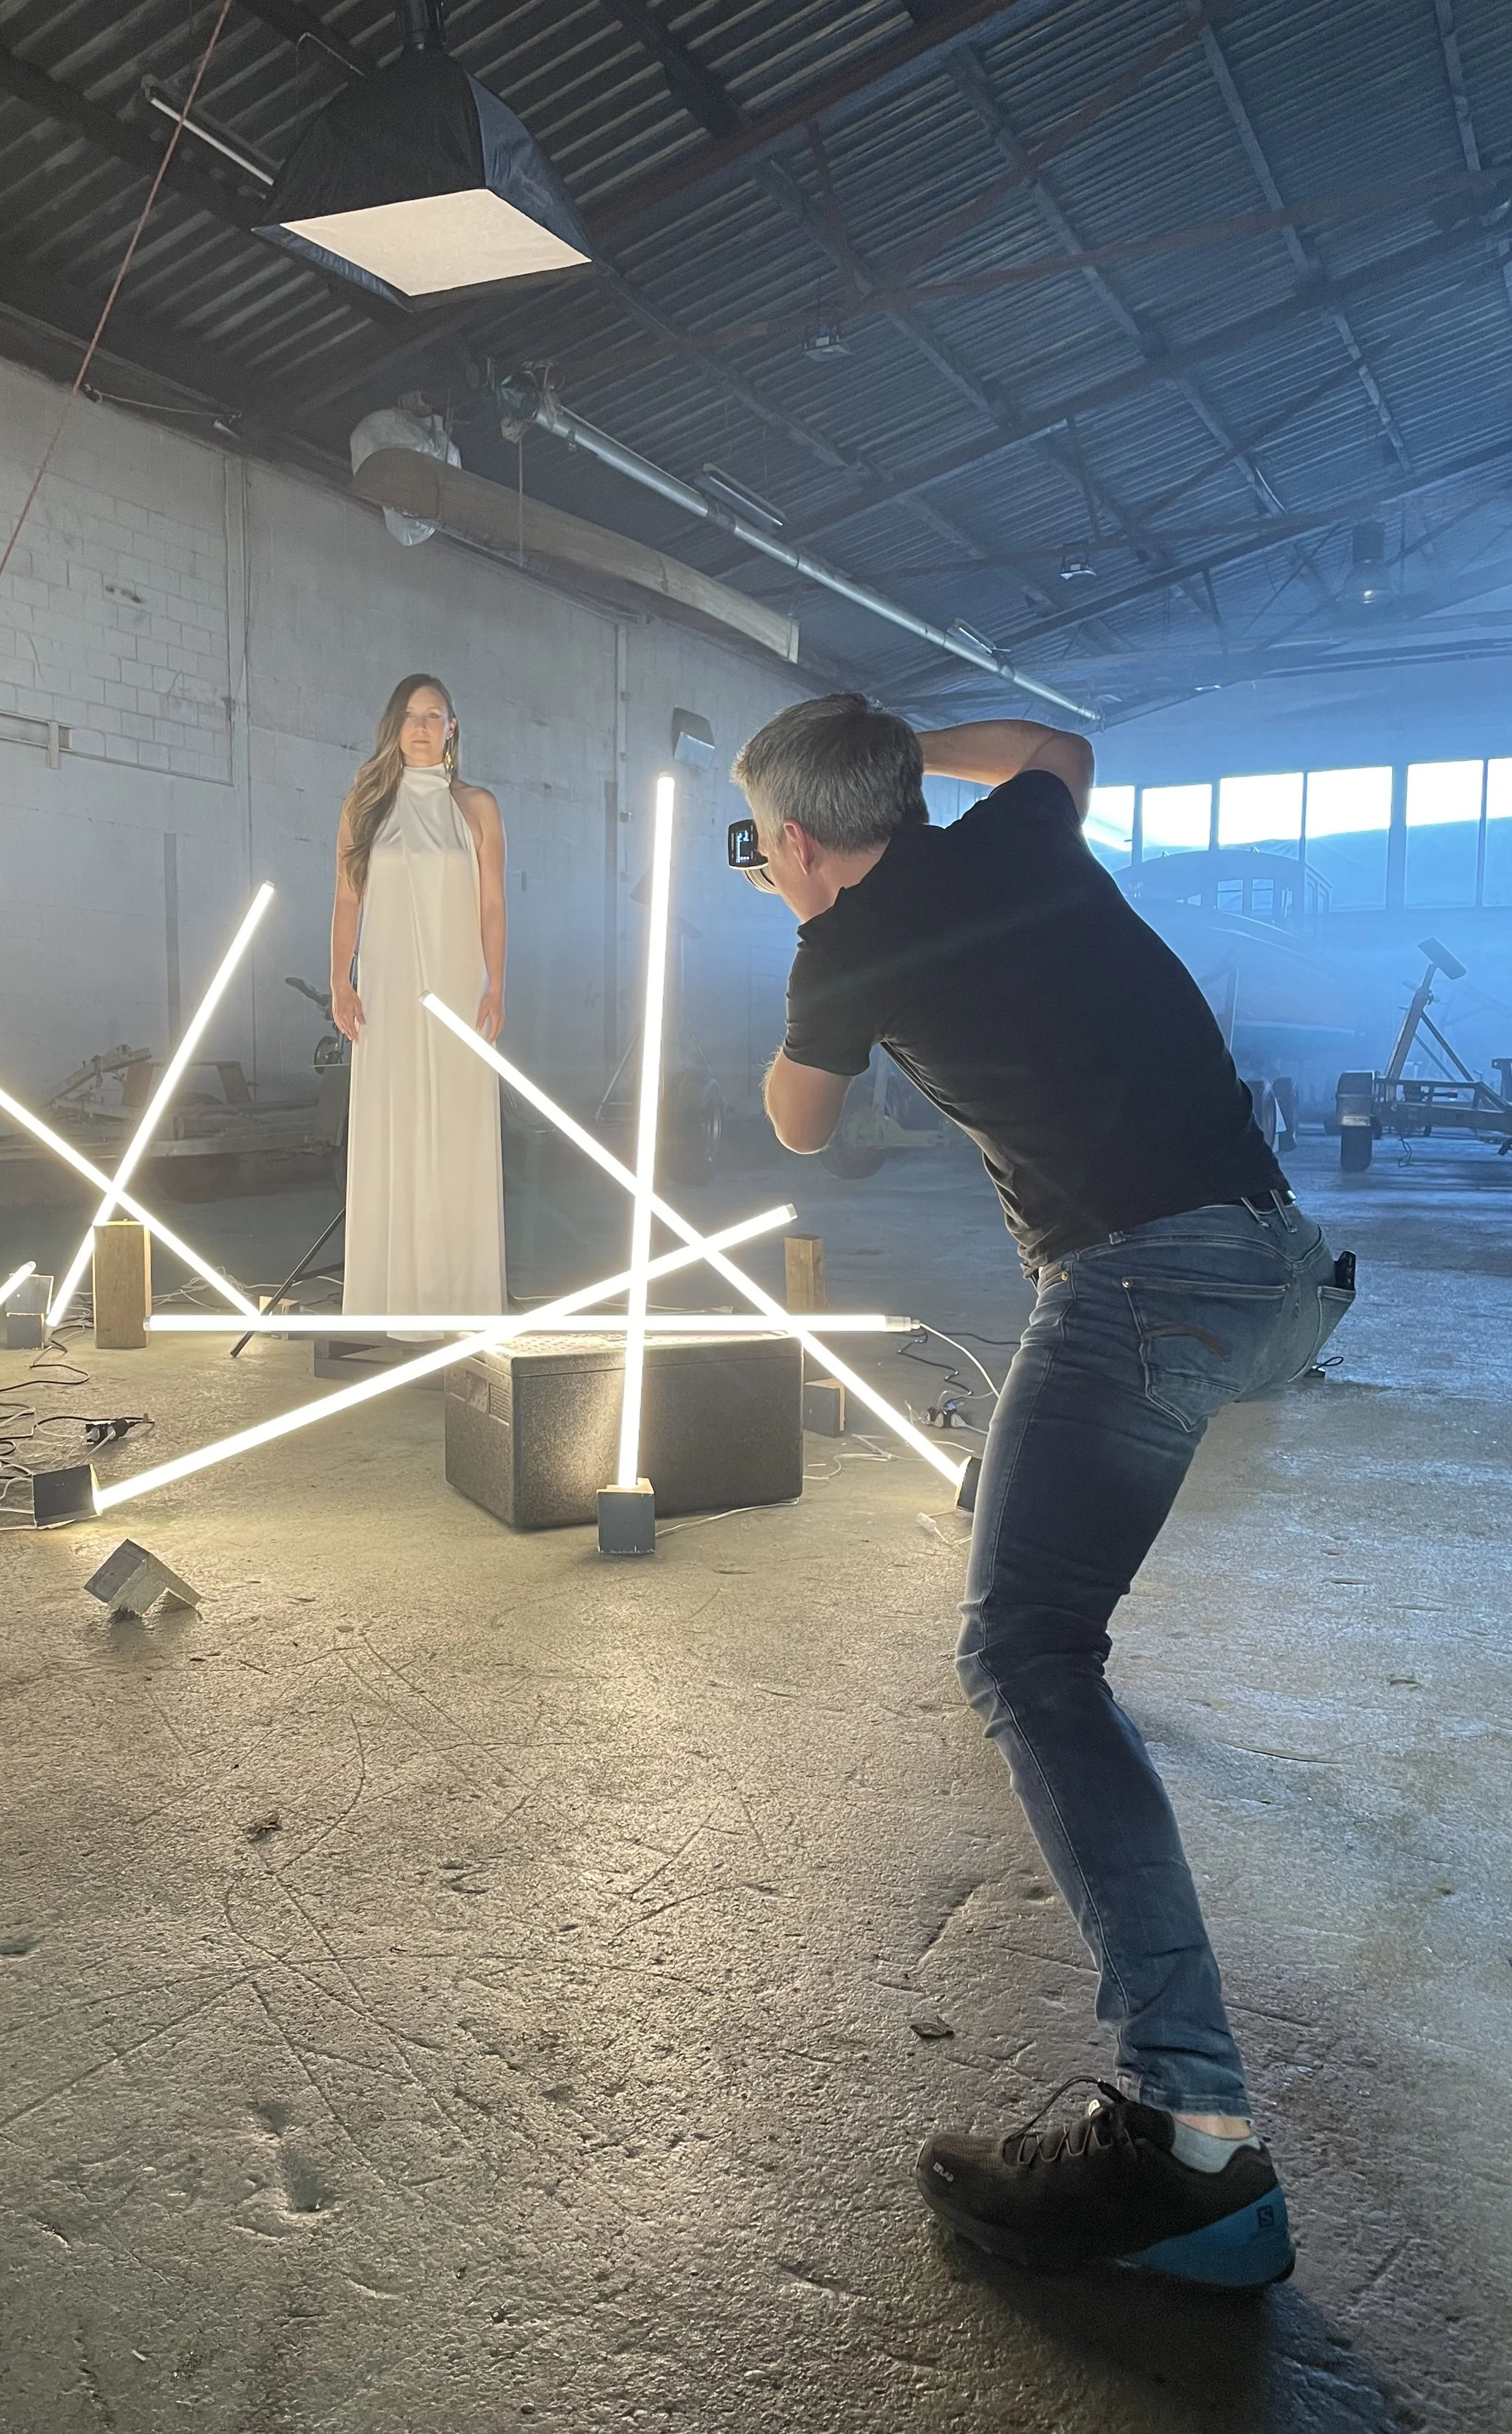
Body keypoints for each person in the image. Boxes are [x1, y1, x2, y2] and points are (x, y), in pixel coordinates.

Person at [730, 694, 1351, 2290]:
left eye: (779, 845)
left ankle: (1185, 2139)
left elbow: (794, 1123)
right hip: (1276, 1269)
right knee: (1018, 1519)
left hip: (1145, 1284)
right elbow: (1055, 744)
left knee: (1021, 1654)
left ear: (795, 841)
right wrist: (895, 753)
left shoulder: (835, 947)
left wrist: (810, 930)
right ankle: (1185, 2132)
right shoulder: (1013, 827)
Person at [331, 675, 507, 1324]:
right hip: (388, 989)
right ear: (394, 726)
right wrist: (339, 979)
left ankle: (461, 1298)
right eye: (411, 716)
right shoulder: (365, 806)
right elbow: (347, 898)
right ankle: (390, 1299)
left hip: (458, 990)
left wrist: (497, 983)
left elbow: (492, 902)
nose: (423, 727)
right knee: (396, 1121)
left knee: (456, 1126)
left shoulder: (477, 808)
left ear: (453, 727)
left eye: (435, 715)